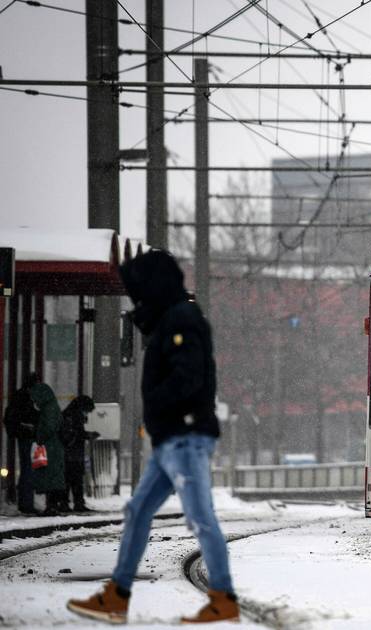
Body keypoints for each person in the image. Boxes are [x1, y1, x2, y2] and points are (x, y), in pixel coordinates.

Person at [68, 250, 238, 624]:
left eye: (140, 291)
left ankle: (223, 597)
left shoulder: (181, 319)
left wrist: (158, 407)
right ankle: (118, 594)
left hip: (185, 437)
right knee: (140, 510)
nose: (136, 300)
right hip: (172, 439)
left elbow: (188, 378)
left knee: (201, 518)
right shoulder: (172, 317)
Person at [3, 373, 41, 515]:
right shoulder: (25, 397)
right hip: (26, 436)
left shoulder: (20, 396)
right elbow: (28, 415)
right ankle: (26, 503)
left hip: (22, 434)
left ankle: (26, 502)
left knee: (27, 469)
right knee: (28, 469)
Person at [30, 381, 68, 516]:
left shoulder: (49, 409)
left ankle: (51, 506)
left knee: (49, 477)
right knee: (53, 477)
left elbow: (48, 427)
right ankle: (52, 505)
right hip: (53, 447)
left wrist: (38, 436)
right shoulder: (52, 407)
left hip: (50, 447)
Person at [60, 395, 98, 512]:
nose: (87, 414)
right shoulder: (75, 416)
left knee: (69, 479)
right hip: (73, 452)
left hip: (70, 452)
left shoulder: (69, 413)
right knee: (75, 479)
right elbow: (78, 433)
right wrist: (89, 435)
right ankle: (75, 503)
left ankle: (67, 503)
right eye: (87, 411)